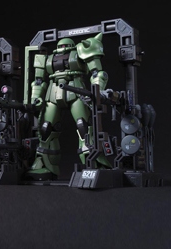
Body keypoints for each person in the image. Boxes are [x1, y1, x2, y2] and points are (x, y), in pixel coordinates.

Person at [25, 33, 112, 181]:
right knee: (45, 129)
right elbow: (38, 81)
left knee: (84, 127)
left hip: (75, 90)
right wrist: (35, 98)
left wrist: (97, 91)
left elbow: (97, 73)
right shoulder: (47, 58)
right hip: (52, 93)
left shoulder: (80, 51)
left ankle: (94, 162)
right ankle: (45, 165)